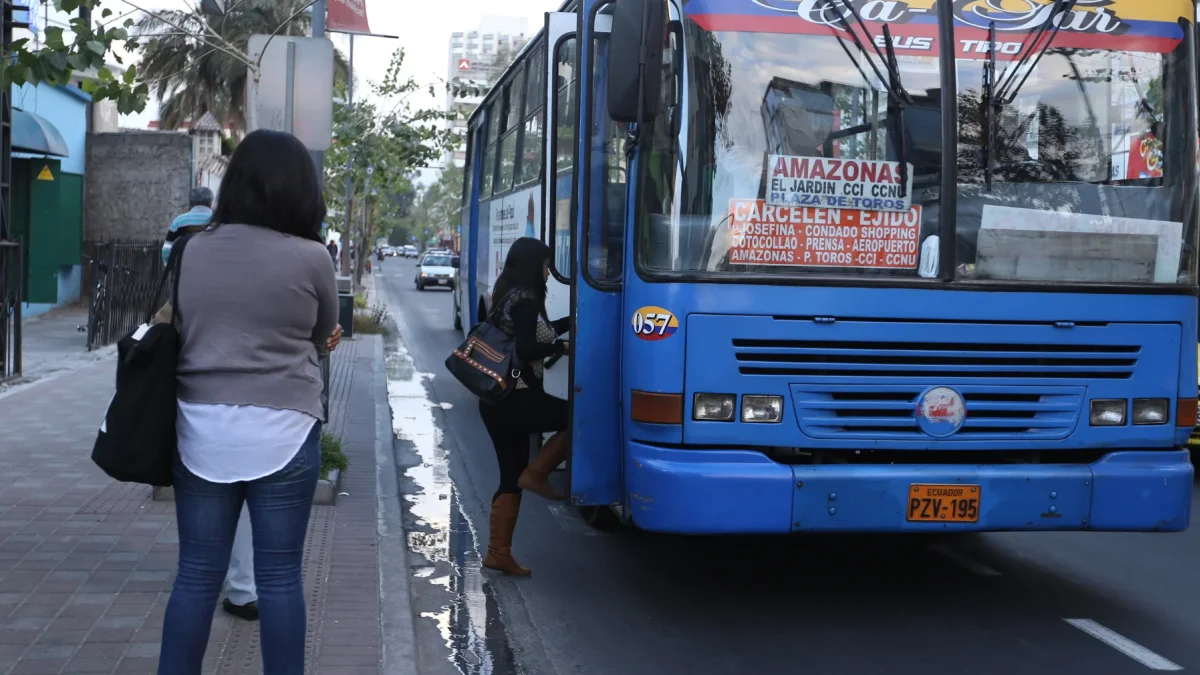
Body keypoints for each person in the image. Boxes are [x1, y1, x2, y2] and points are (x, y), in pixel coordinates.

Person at [159, 129, 342, 675]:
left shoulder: (192, 251)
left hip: (200, 430)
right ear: (300, 191)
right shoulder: (313, 257)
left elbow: (183, 324)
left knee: (196, 573)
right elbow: (324, 330)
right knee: (280, 577)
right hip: (285, 429)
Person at [162, 186, 260, 623]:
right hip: (267, 413)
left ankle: (228, 585)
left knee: (196, 570)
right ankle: (244, 590)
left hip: (200, 409)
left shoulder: (188, 248)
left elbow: (170, 317)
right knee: (252, 508)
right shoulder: (290, 254)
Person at [477, 237, 570, 577]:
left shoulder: (507, 293)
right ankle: (539, 472)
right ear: (535, 265)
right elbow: (530, 348)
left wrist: (569, 325)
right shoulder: (527, 300)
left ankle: (497, 553)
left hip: (495, 400)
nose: (548, 272)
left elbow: (533, 335)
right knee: (579, 420)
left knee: (509, 478)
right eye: (546, 265)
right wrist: (559, 346)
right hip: (516, 398)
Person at [163, 187, 215, 266]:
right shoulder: (218, 220)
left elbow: (166, 248)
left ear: (191, 203)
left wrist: (168, 265)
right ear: (211, 203)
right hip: (212, 267)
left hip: (184, 267)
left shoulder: (179, 221)